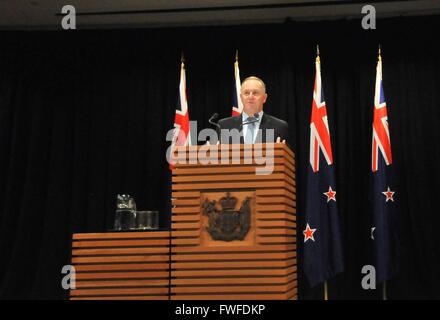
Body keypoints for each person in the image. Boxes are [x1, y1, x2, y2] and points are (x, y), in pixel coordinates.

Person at [217, 76, 289, 144]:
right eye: (246, 93)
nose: (250, 97)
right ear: (241, 97)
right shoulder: (224, 126)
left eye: (255, 93)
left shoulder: (280, 127)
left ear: (264, 98)